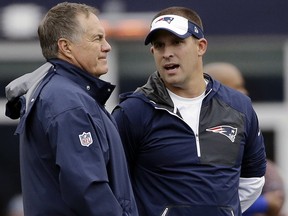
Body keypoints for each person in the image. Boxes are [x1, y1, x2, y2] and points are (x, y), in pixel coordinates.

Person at [112, 6, 266, 216]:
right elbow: (114, 184)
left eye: (177, 42)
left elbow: (253, 179)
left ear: (201, 46)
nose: (167, 53)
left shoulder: (239, 107)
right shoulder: (133, 111)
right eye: (159, 46)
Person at [5, 2, 138, 216]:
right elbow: (88, 189)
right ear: (66, 47)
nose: (107, 46)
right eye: (97, 38)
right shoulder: (66, 101)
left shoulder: (65, 94)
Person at [204, 62, 286, 216]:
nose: (244, 92)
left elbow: (275, 199)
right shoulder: (198, 139)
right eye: (236, 86)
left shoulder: (244, 124)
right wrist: (263, 203)